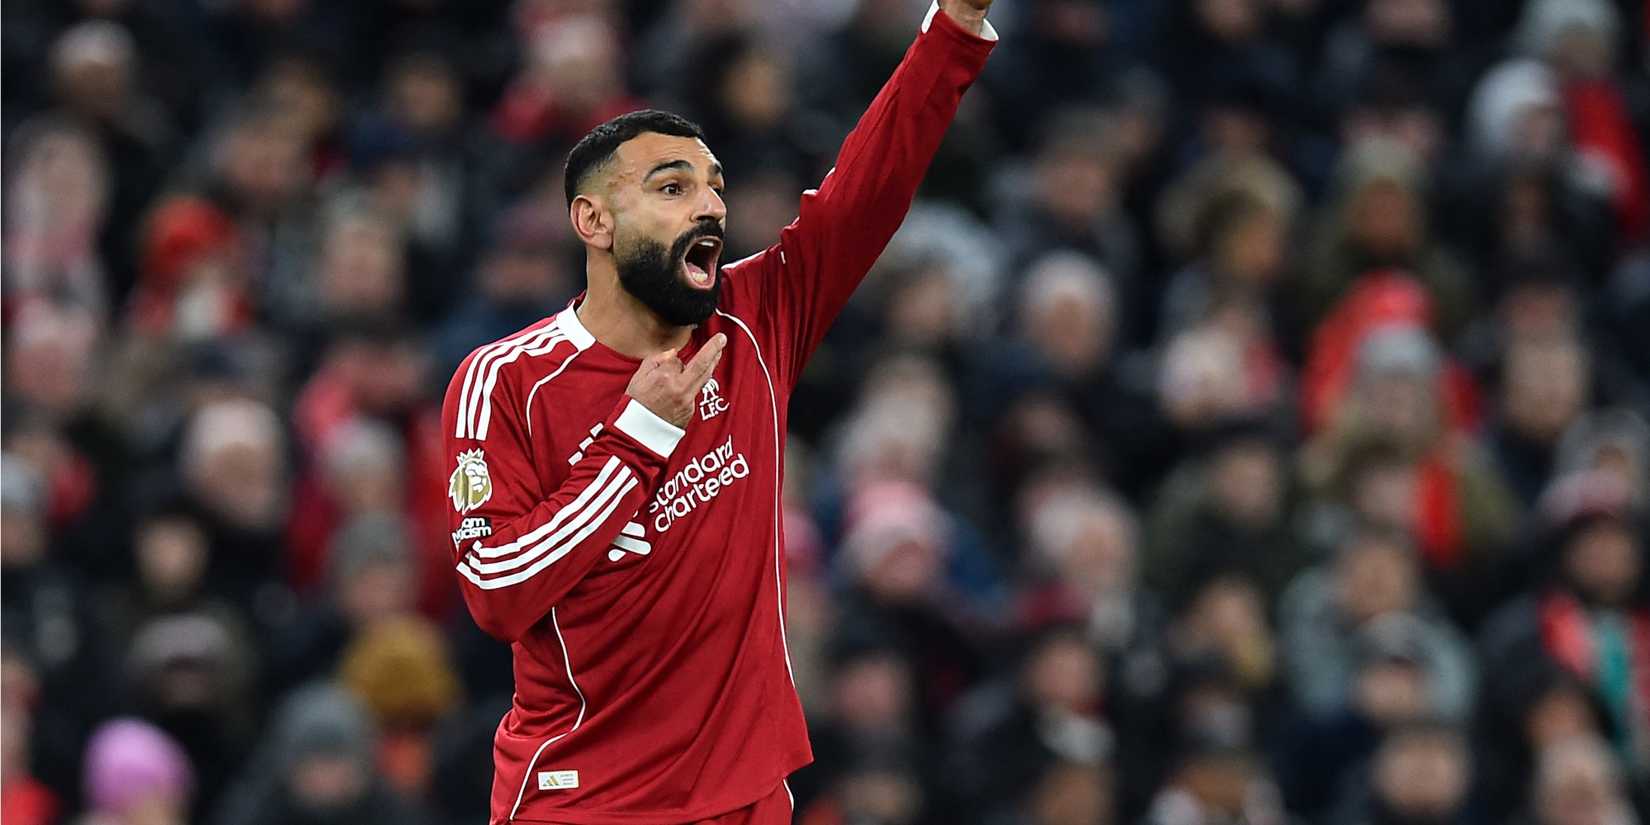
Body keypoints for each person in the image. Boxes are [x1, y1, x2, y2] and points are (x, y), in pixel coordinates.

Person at [438, 3, 998, 823]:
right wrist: (638, 435)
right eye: (672, 187)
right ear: (594, 221)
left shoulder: (755, 318)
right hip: (589, 799)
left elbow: (869, 190)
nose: (708, 206)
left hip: (749, 794)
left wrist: (952, 24)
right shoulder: (507, 381)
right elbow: (497, 590)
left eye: (714, 187)